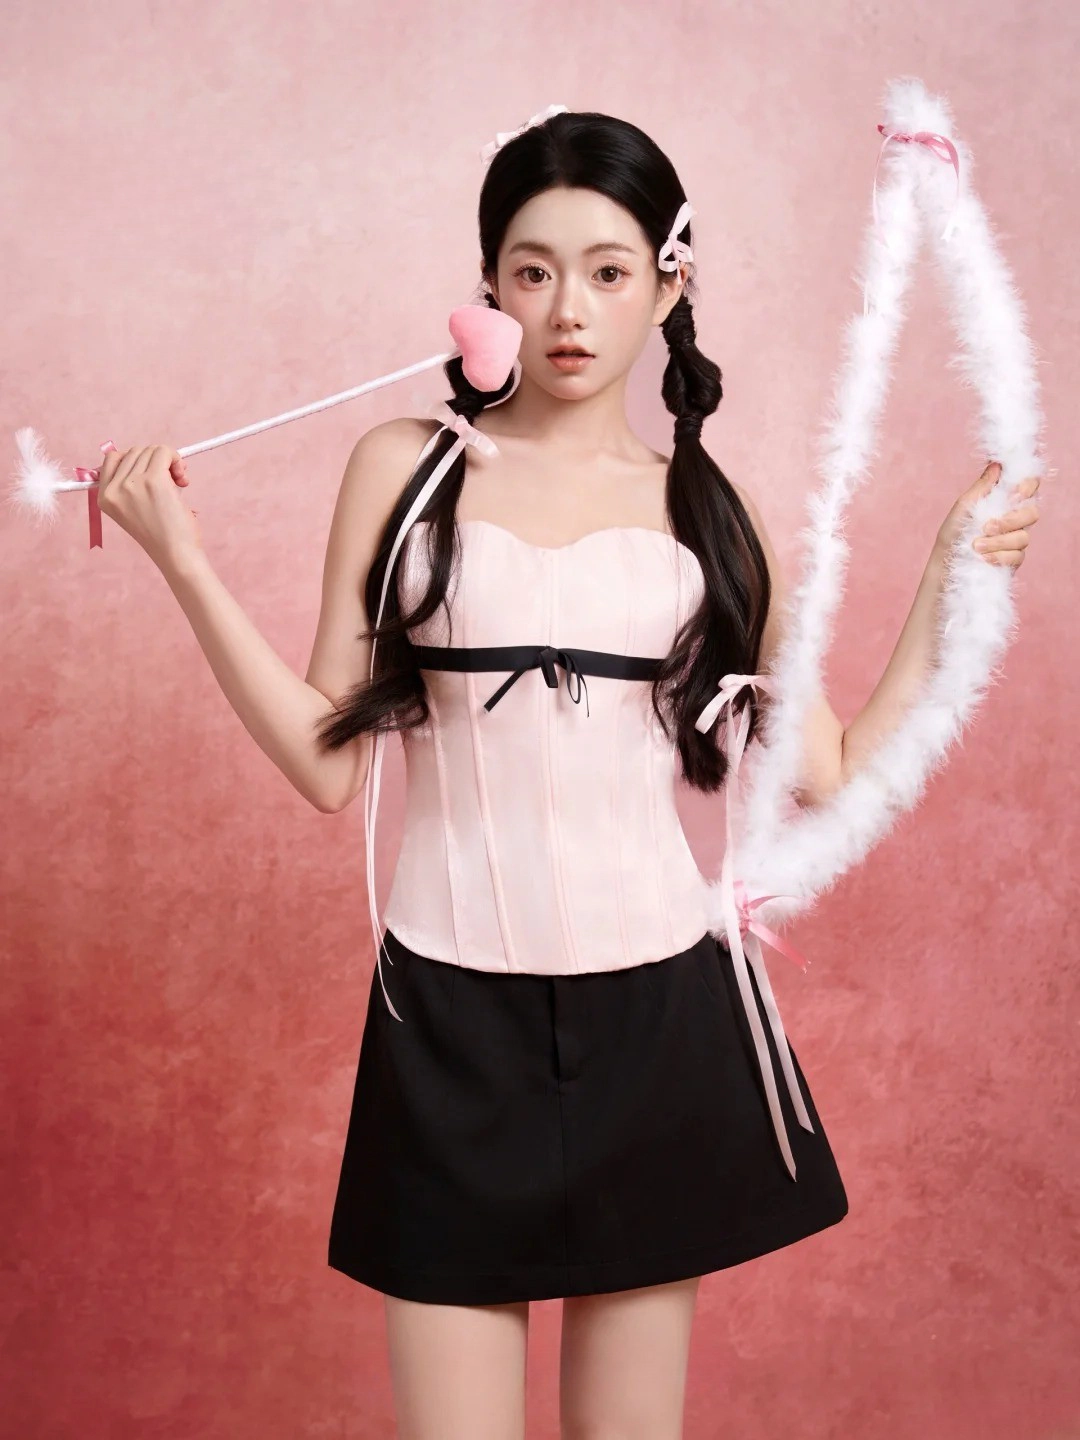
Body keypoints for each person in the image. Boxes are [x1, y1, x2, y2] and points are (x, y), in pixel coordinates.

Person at [94, 108, 1039, 1440]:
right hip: (446, 1018)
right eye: (532, 271)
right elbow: (324, 766)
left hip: (658, 1017)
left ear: (670, 283)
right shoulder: (403, 470)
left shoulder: (709, 510)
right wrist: (182, 562)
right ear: (488, 288)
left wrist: (949, 581)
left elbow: (825, 767)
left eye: (608, 270)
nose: (570, 310)